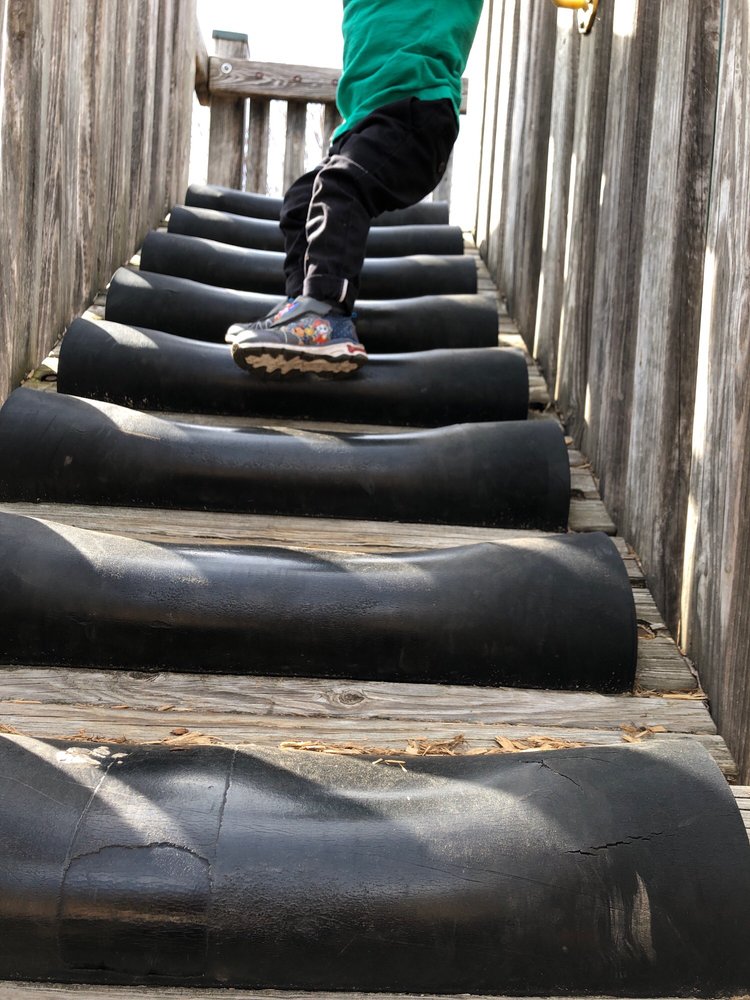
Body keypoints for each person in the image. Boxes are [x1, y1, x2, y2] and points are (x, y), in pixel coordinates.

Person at [228, 0, 484, 378]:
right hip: (361, 123)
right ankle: (301, 310)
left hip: (418, 107)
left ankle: (326, 314)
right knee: (301, 202)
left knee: (341, 187)